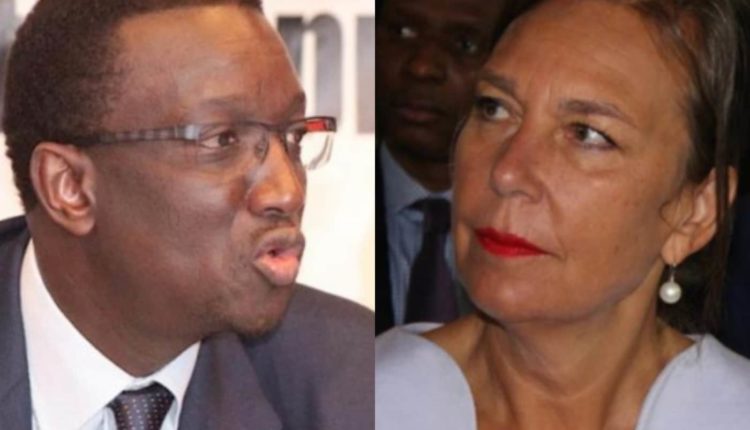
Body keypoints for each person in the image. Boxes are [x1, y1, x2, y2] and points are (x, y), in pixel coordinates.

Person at [376, 0, 750, 428]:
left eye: (588, 134)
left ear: (695, 214)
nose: (507, 172)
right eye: (494, 108)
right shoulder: (356, 401)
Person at [0, 0, 372, 429]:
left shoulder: (354, 383)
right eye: (222, 140)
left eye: (294, 136)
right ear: (70, 186)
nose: (288, 191)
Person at [375, 0, 517, 333]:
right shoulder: (332, 207)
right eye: (402, 31)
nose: (422, 67)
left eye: (464, 44)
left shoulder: (535, 217)